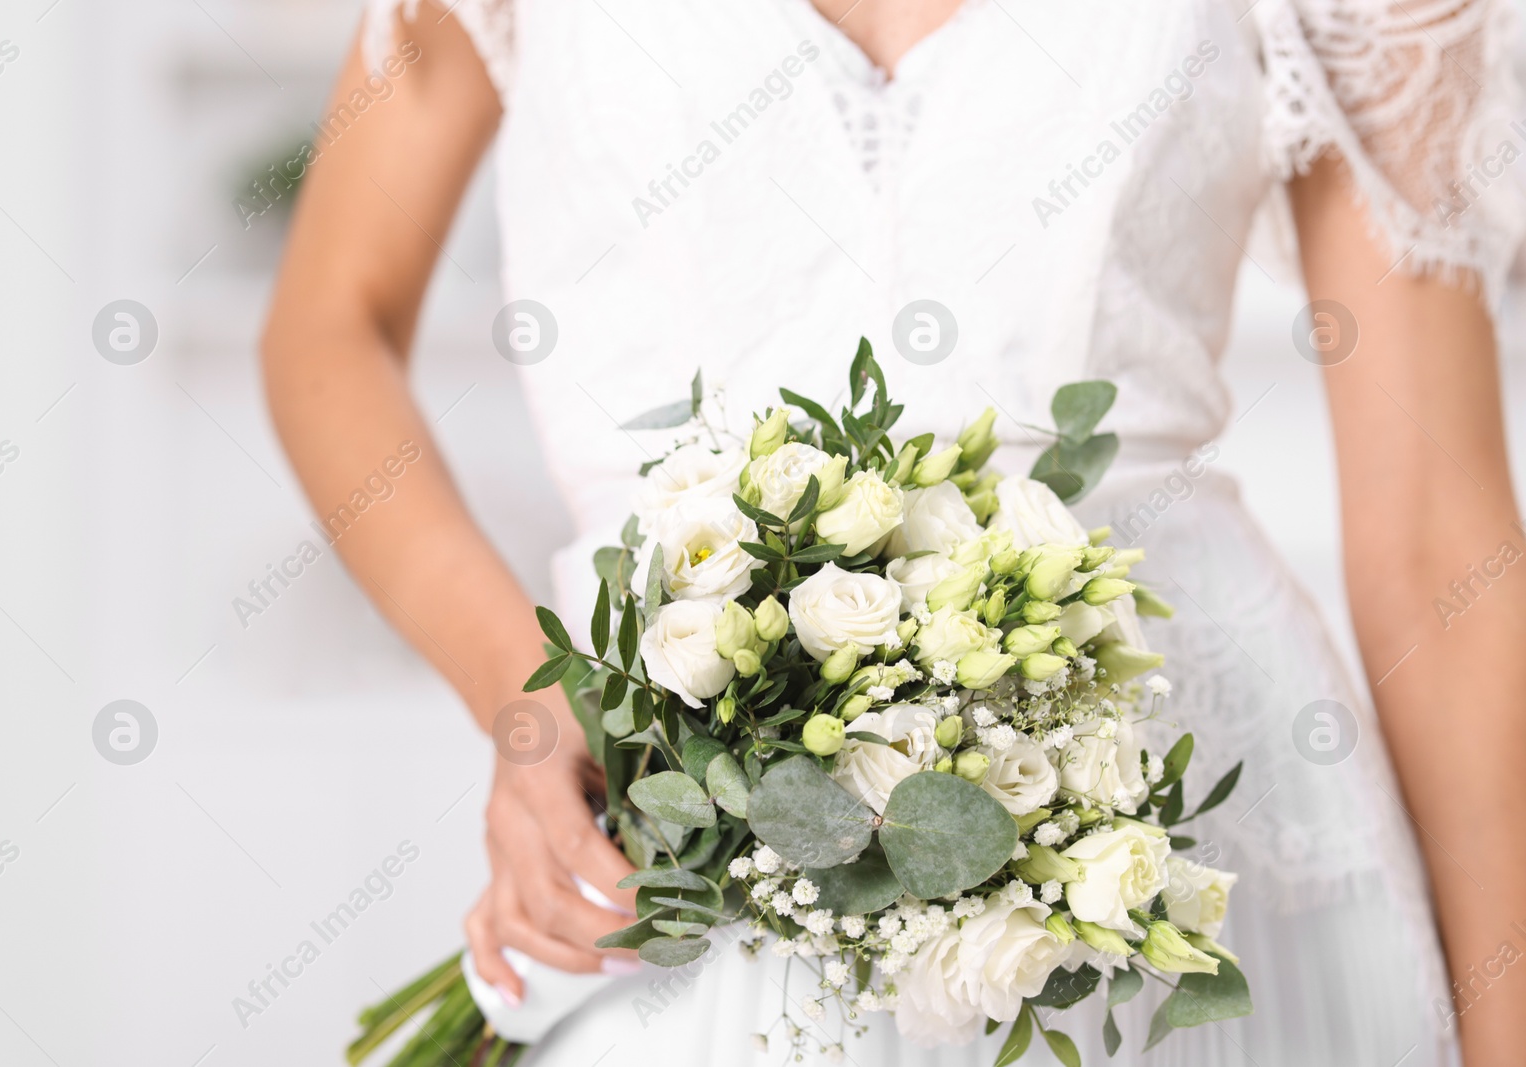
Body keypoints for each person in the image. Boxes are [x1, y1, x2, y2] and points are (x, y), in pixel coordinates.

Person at [261, 0, 1526, 1062]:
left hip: (1196, 860)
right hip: (682, 846)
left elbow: (1435, 532)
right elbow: (330, 319)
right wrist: (525, 697)